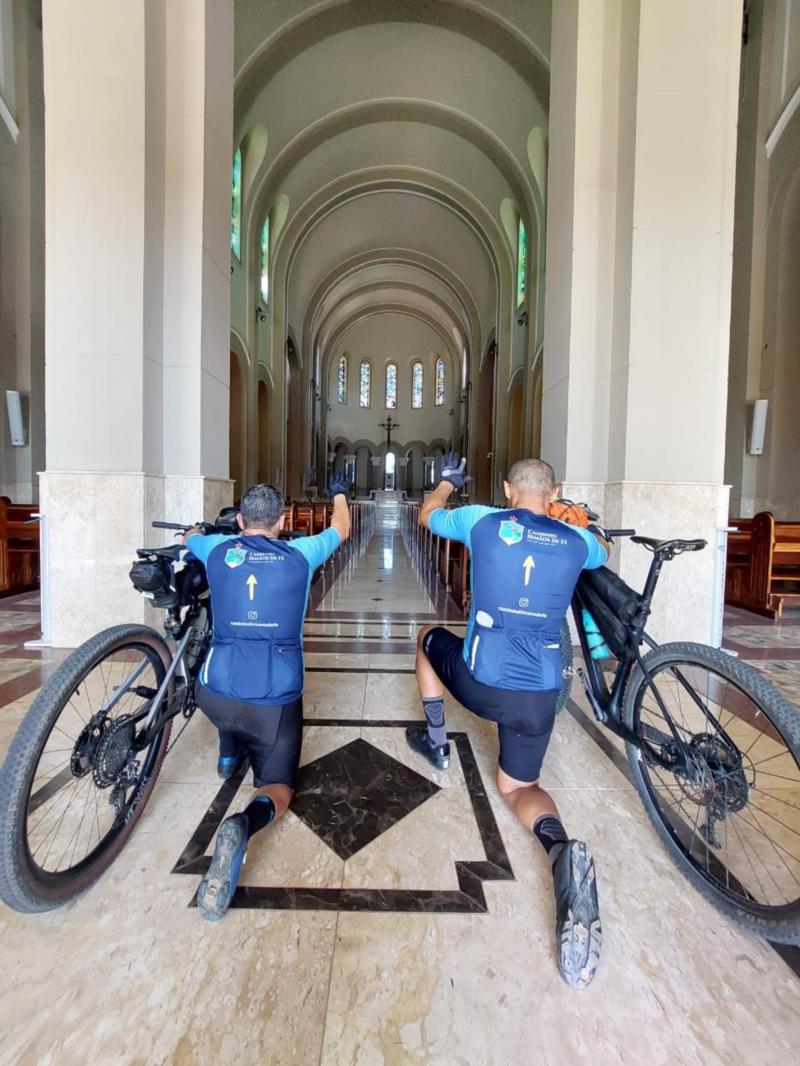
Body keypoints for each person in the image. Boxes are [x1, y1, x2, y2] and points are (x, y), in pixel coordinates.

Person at [407, 454, 608, 989]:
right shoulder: (577, 544)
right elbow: (601, 549)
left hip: (481, 682)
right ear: (554, 492)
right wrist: (569, 519)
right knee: (519, 786)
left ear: (505, 489)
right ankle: (561, 849)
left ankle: (435, 742)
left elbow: (426, 515)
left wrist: (446, 484)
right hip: (539, 696)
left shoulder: (482, 520)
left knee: (427, 639)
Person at [183, 478, 351, 921]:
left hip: (214, 692)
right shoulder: (300, 554)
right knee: (277, 786)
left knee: (223, 690)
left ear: (239, 521)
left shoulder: (219, 549)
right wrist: (337, 494)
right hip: (273, 700)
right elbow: (342, 529)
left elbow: (192, 540)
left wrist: (193, 535)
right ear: (282, 521)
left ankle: (226, 755)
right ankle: (243, 824)